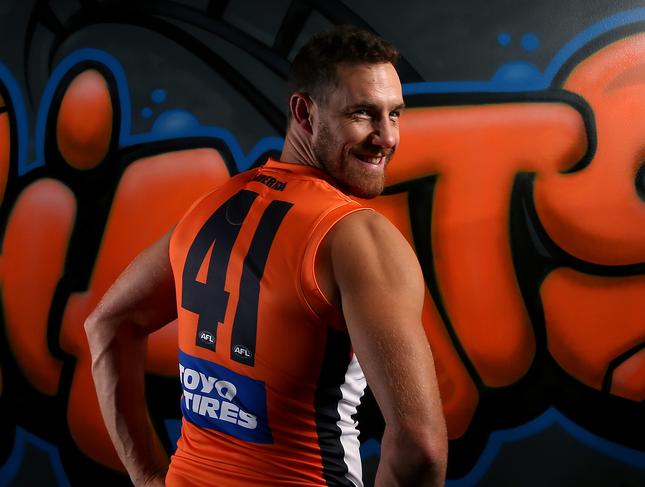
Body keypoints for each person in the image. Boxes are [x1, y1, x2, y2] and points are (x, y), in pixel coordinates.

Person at [85, 25, 447, 486]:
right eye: (362, 114)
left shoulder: (211, 207)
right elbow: (421, 446)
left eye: (394, 114)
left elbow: (107, 324)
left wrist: (149, 477)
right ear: (304, 112)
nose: (387, 137)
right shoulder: (355, 237)